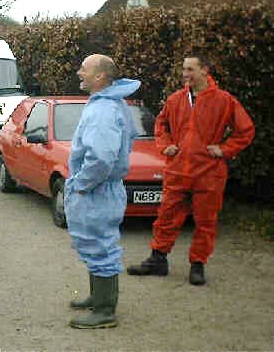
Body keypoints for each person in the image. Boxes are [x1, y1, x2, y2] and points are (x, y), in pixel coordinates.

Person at [127, 53, 255, 285]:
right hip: (178, 170)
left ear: (204, 70)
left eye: (190, 69)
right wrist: (166, 145)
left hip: (208, 173)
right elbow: (160, 124)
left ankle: (198, 265)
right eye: (184, 69)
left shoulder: (224, 100)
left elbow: (245, 130)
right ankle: (158, 260)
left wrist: (225, 149)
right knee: (166, 217)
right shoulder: (176, 99)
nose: (185, 74)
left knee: (205, 221)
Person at [64, 54, 140, 329]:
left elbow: (101, 157)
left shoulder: (103, 110)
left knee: (100, 245)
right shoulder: (113, 104)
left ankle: (105, 310)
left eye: (84, 69)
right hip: (104, 188)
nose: (78, 73)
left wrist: (82, 184)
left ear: (100, 77)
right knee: (96, 243)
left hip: (97, 189)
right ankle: (99, 297)